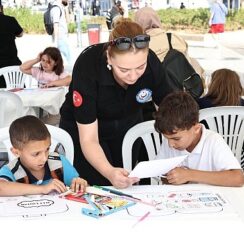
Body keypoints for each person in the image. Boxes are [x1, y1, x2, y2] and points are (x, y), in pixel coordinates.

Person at [59, 18, 169, 188]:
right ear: (109, 57)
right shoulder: (88, 66)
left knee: (127, 181)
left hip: (127, 126)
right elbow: (89, 139)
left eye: (140, 67)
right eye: (124, 70)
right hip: (85, 132)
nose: (133, 77)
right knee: (99, 186)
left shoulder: (152, 63)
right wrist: (109, 171)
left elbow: (171, 107)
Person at [153, 91, 244, 187]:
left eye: (176, 139)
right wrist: (172, 178)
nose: (170, 144)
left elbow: (238, 178)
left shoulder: (213, 141)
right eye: (167, 138)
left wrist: (189, 175)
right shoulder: (170, 142)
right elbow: (160, 174)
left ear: (196, 129)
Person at [0, 115, 88, 196]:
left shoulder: (59, 162)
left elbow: (79, 186)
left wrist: (80, 184)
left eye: (47, 149)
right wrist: (42, 189)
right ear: (16, 152)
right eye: (36, 154)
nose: (44, 158)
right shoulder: (11, 170)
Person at [134, 6, 204, 78]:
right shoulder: (174, 37)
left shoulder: (138, 44)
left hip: (153, 85)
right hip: (179, 83)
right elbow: (187, 61)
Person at [0, 3, 23, 88]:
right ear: (1, 8)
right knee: (18, 91)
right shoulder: (10, 20)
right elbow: (20, 34)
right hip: (12, 65)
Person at [49, 0, 71, 65]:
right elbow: (55, 24)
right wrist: (55, 41)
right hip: (60, 38)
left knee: (66, 61)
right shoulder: (56, 8)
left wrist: (66, 8)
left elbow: (68, 21)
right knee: (69, 62)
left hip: (63, 37)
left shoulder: (61, 6)